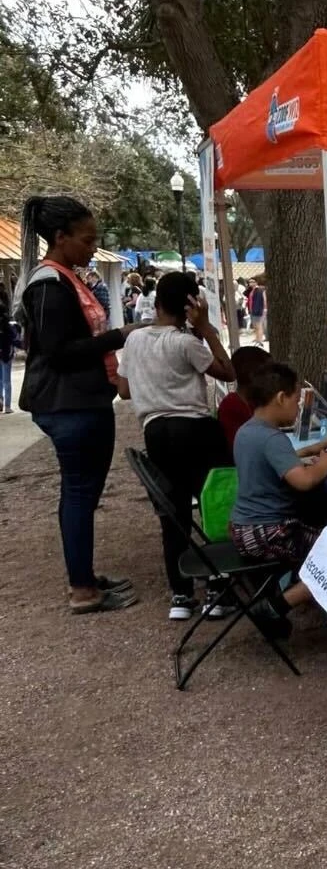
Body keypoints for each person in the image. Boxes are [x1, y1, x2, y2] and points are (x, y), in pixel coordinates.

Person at [16, 195, 141, 613]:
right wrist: (120, 336)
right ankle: (82, 588)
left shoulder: (64, 278)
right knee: (78, 492)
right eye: (86, 241)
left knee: (82, 494)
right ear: (60, 237)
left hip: (82, 401)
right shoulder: (49, 286)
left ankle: (83, 575)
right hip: (69, 405)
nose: (92, 248)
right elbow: (60, 352)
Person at [118, 272, 237, 620]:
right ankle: (218, 586)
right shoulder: (185, 343)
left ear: (155, 303)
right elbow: (228, 372)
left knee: (173, 511)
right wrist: (208, 330)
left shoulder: (135, 341)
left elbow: (124, 391)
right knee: (216, 502)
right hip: (196, 428)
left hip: (156, 432)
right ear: (191, 306)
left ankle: (181, 595)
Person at [229, 361, 327, 628]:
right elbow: (302, 482)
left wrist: (307, 451)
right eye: (296, 400)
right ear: (280, 398)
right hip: (269, 532)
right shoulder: (272, 439)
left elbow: (268, 459)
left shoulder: (248, 431)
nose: (299, 407)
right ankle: (276, 606)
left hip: (244, 527)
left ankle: (290, 590)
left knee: (324, 530)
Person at [218, 345, 272, 449]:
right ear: (252, 375)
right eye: (267, 374)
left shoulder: (254, 402)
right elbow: (241, 446)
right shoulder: (231, 405)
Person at [0, 283, 14, 414]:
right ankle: (7, 406)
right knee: (6, 379)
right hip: (5, 350)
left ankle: (0, 401)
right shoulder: (5, 320)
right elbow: (12, 335)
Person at [249, 275, 267, 343]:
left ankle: (260, 339)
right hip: (252, 310)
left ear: (256, 282)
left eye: (252, 282)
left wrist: (261, 309)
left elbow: (261, 300)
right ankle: (257, 338)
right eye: (249, 282)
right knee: (255, 326)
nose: (250, 283)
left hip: (258, 310)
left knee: (259, 325)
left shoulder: (259, 290)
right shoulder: (252, 290)